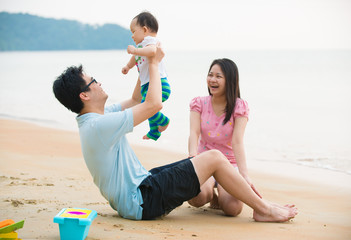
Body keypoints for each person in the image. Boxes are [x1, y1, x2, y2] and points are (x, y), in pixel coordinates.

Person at [52, 44, 297, 222]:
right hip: (142, 199)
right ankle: (265, 209)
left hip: (142, 187)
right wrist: (155, 64)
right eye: (93, 81)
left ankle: (257, 204)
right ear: (84, 95)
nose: (99, 82)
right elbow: (153, 105)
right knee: (213, 157)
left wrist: (144, 57)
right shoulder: (99, 126)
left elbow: (138, 98)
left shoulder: (97, 118)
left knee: (203, 161)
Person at [187, 58, 260, 216]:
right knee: (197, 199)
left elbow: (237, 141)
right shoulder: (198, 103)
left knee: (233, 209)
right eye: (210, 75)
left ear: (230, 80)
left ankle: (221, 194)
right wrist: (192, 158)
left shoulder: (239, 107)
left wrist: (244, 174)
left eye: (218, 76)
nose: (212, 80)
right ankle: (211, 195)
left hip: (229, 164)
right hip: (203, 161)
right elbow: (194, 132)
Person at [122, 11, 170, 141]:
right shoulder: (141, 46)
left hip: (159, 84)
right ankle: (154, 131)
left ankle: (164, 121)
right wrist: (128, 66)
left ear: (144, 29)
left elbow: (152, 51)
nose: (132, 36)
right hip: (147, 84)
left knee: (146, 108)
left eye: (133, 31)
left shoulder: (150, 41)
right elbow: (135, 58)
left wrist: (135, 50)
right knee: (146, 107)